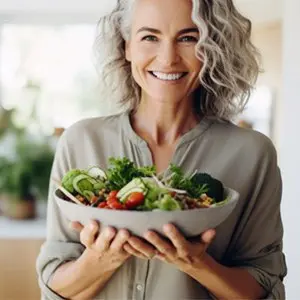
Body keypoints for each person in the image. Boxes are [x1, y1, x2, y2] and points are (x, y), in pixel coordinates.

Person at [36, 0, 287, 299]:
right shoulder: (81, 141)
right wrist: (101, 260)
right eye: (150, 37)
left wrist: (197, 263)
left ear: (212, 47)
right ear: (127, 46)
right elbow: (53, 285)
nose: (168, 59)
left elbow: (265, 286)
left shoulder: (253, 153)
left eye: (188, 38)